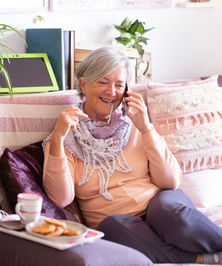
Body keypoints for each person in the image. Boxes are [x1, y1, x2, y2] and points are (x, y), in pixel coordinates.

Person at [42, 46, 222, 264]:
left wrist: (146, 128)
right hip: (116, 221)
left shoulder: (134, 122)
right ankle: (205, 259)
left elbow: (170, 181)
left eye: (119, 85)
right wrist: (59, 138)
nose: (112, 92)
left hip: (159, 203)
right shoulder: (64, 137)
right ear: (83, 84)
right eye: (102, 82)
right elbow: (61, 198)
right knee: (113, 226)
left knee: (167, 210)